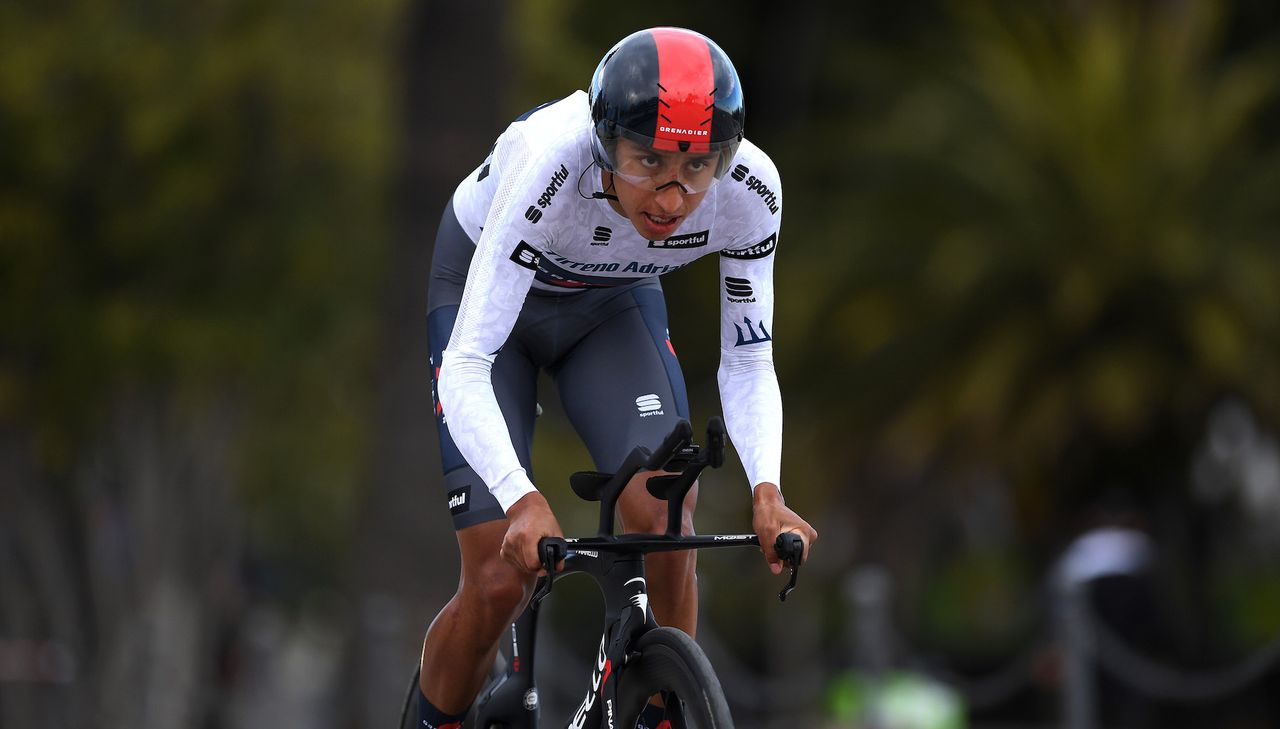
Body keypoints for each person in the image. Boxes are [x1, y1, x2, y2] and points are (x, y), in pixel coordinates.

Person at [419, 26, 819, 729]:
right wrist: (519, 498)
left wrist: (768, 489)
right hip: (489, 304)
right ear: (606, 144)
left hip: (609, 306)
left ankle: (663, 710)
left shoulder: (752, 189)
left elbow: (750, 356)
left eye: (696, 168)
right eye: (648, 161)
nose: (670, 195)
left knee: (664, 514)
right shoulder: (552, 162)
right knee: (495, 578)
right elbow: (469, 361)